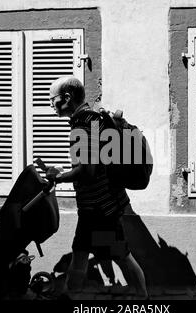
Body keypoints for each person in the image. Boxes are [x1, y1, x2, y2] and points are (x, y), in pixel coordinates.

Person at [45, 76, 148, 299]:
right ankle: (73, 296)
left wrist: (59, 176)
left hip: (99, 210)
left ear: (67, 98)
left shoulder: (82, 125)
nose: (50, 105)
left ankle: (143, 299)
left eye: (52, 99)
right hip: (103, 205)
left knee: (119, 254)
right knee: (83, 253)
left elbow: (88, 170)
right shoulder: (94, 118)